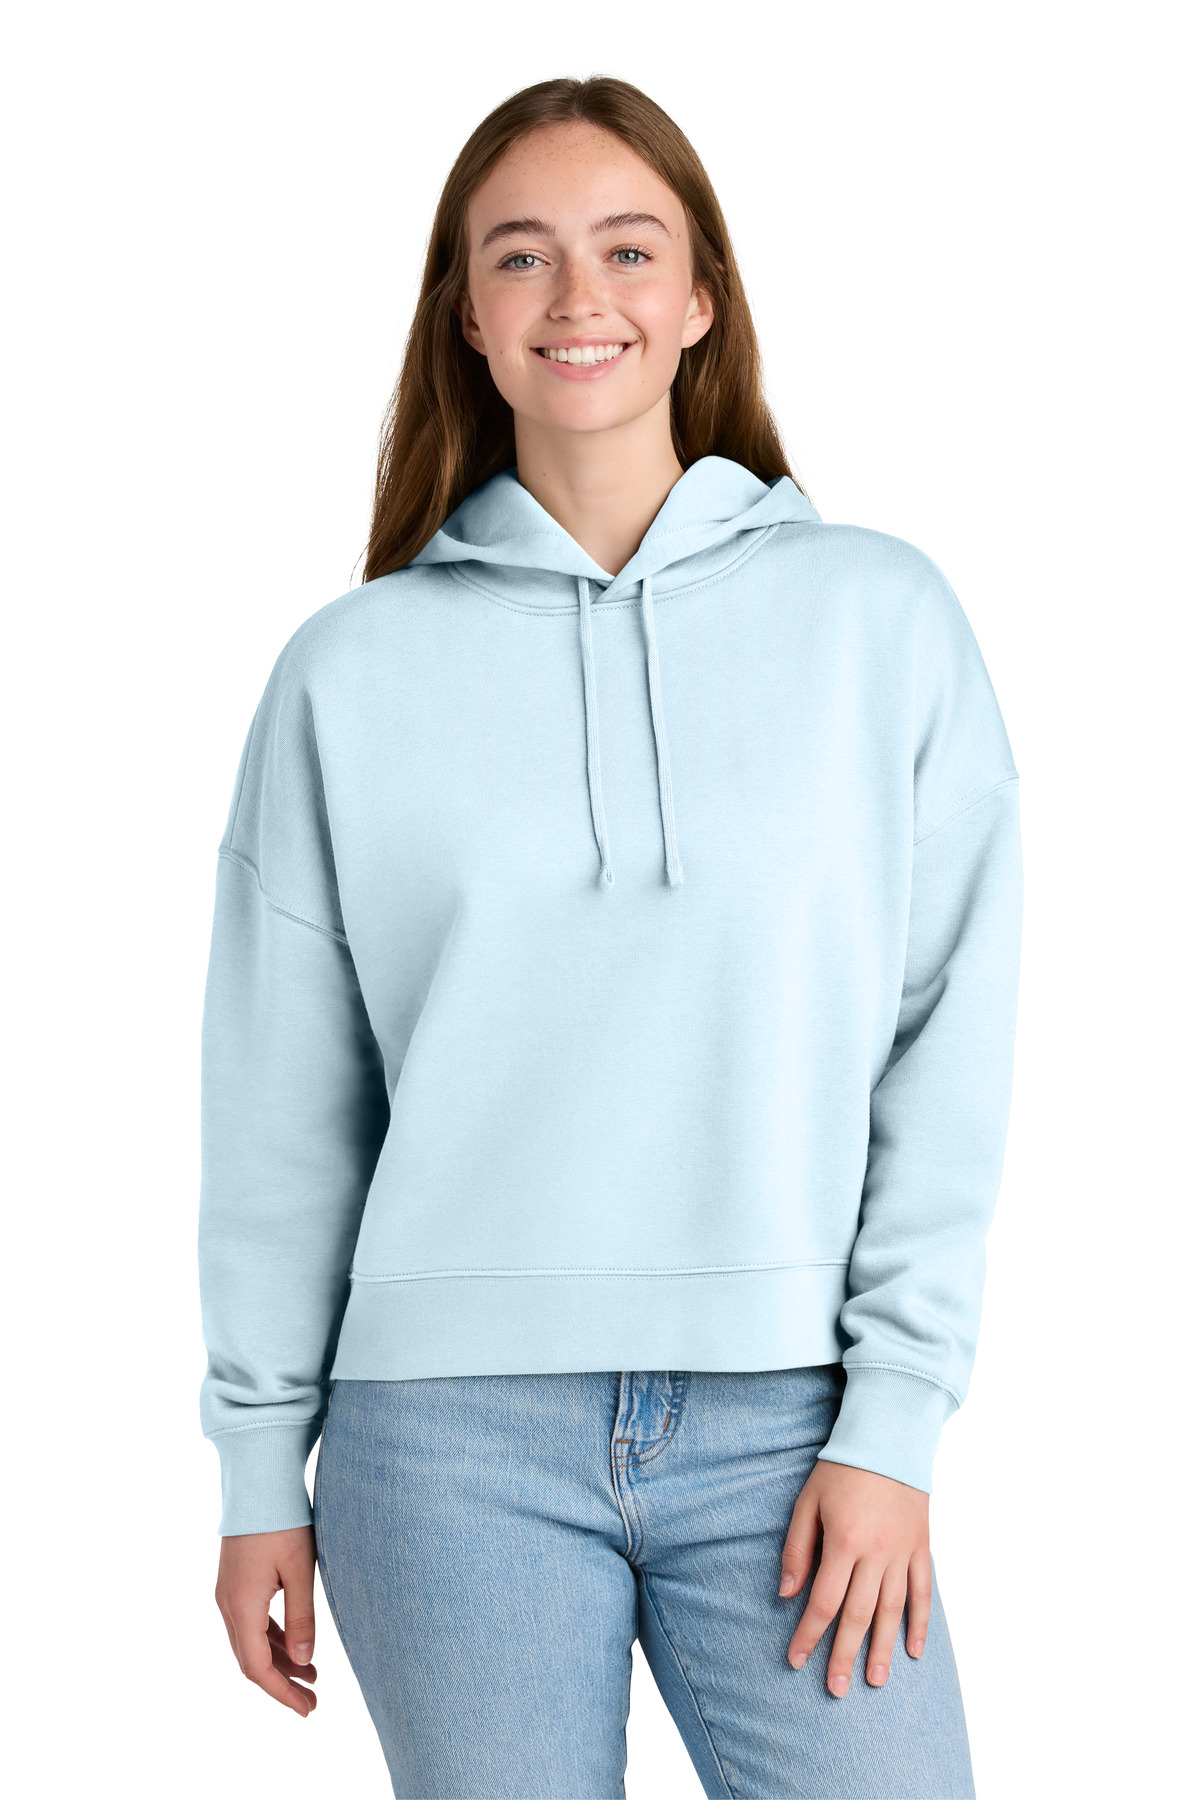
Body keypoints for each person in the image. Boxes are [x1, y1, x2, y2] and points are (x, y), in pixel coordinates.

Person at [199, 74, 1022, 1800]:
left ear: (701, 295)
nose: (579, 295)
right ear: (468, 317)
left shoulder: (880, 621)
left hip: (793, 1418)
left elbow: (945, 1042)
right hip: (446, 1442)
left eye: (628, 249)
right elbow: (282, 1108)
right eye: (522, 255)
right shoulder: (347, 673)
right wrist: (261, 1463)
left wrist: (894, 1418)